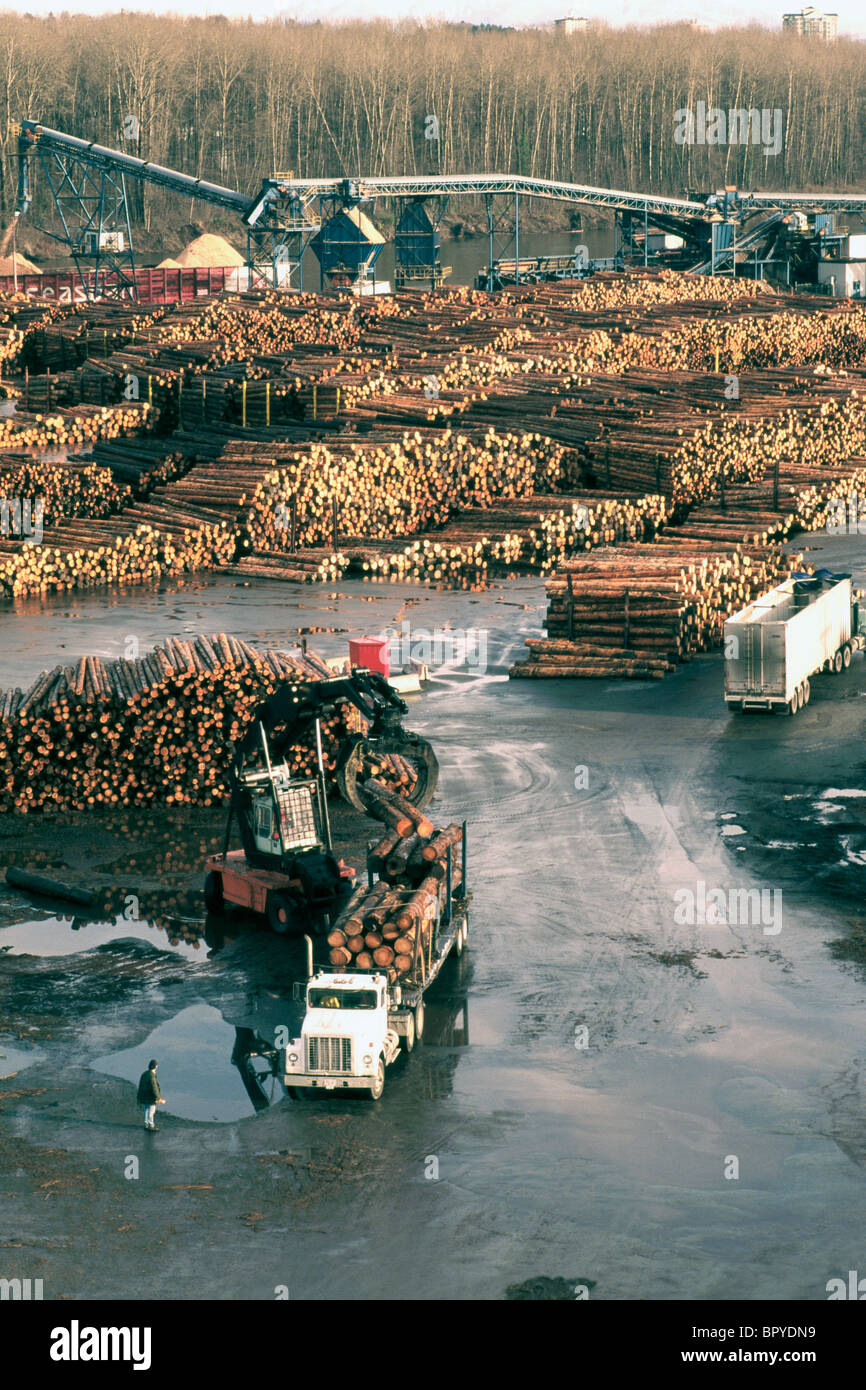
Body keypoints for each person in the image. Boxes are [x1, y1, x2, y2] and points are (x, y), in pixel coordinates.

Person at [137, 1059, 165, 1131]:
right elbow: (154, 1087)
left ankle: (146, 1124)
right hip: (150, 1096)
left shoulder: (145, 1073)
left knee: (146, 1109)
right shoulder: (151, 1075)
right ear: (155, 1066)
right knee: (151, 1111)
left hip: (144, 1095)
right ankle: (151, 1125)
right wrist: (158, 1098)